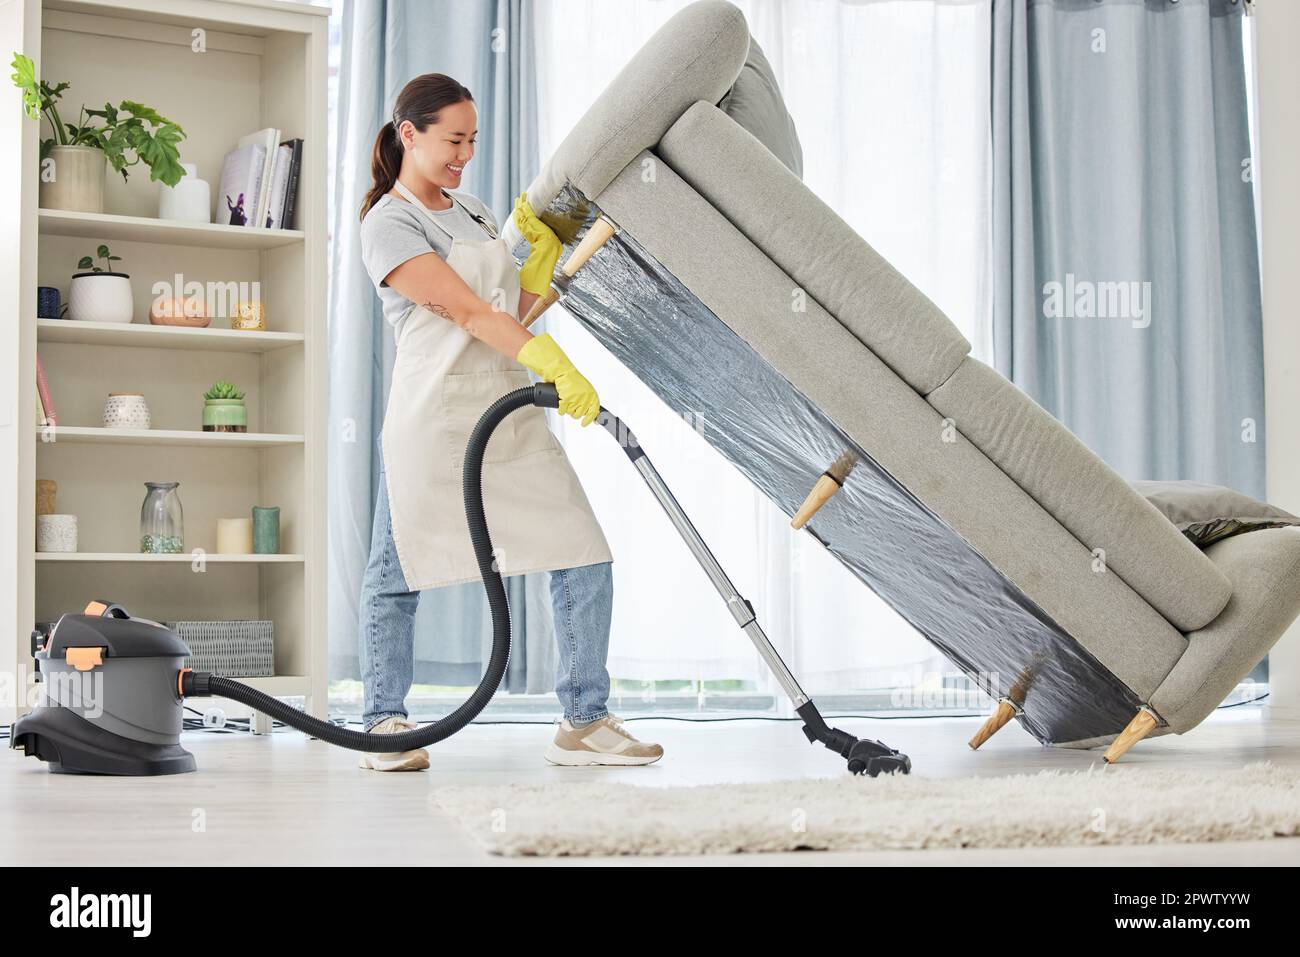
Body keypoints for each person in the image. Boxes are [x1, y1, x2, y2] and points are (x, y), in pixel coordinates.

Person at [355, 73, 662, 771]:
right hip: (433, 414)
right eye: (453, 140)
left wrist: (543, 267)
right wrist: (551, 361)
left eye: (472, 140)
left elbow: (508, 316)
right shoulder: (388, 222)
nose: (465, 155)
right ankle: (381, 721)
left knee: (582, 551)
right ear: (410, 133)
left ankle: (584, 720)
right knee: (397, 569)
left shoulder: (473, 210)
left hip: (504, 403)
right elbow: (463, 312)